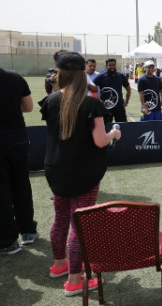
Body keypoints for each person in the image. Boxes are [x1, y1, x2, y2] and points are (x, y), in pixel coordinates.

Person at [40, 51, 121, 296]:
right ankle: (75, 279)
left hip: (55, 169)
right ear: (82, 73)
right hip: (84, 172)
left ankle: (59, 265)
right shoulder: (91, 104)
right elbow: (100, 141)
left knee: (61, 218)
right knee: (79, 224)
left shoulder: (51, 100)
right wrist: (114, 133)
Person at [0, 68, 38, 255]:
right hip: (17, 141)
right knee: (21, 185)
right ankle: (28, 231)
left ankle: (8, 241)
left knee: (3, 192)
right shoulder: (15, 77)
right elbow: (28, 107)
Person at [93, 58, 131, 124]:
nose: (112, 67)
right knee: (105, 128)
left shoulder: (121, 76)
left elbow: (128, 89)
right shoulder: (101, 76)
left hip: (119, 107)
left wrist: (126, 101)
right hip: (106, 108)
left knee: (123, 128)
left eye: (113, 65)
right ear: (106, 66)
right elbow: (91, 89)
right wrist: (98, 101)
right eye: (110, 65)